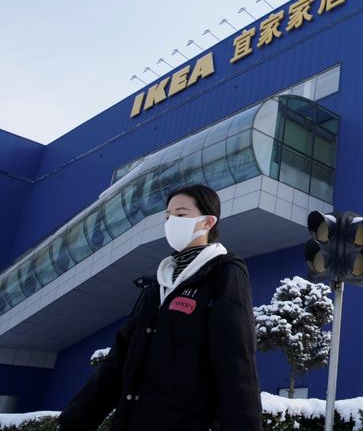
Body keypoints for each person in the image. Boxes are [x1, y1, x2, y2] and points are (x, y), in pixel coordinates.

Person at [59, 184, 262, 431]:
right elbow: (120, 360)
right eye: (167, 217)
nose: (171, 222)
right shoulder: (157, 285)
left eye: (181, 214)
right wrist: (74, 421)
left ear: (208, 222)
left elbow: (235, 361)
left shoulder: (224, 274)